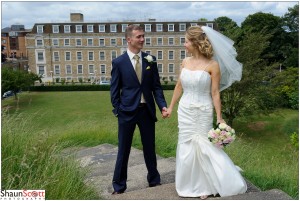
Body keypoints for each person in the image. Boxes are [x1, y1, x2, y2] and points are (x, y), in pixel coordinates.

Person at [165, 26, 247, 199]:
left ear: (196, 42)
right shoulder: (185, 62)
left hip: (203, 110)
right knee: (186, 146)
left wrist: (219, 117)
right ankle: (187, 184)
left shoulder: (213, 65)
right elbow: (179, 86)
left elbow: (215, 93)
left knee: (204, 145)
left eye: (186, 41)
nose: (184, 44)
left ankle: (206, 185)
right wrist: (171, 107)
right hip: (185, 110)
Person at [110, 24, 168, 194]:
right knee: (124, 149)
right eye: (139, 37)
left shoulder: (151, 60)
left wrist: (162, 106)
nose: (143, 39)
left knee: (150, 147)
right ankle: (119, 186)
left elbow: (156, 87)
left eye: (143, 36)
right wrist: (118, 110)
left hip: (147, 111)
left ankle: (154, 180)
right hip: (127, 112)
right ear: (129, 39)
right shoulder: (119, 62)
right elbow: (114, 90)